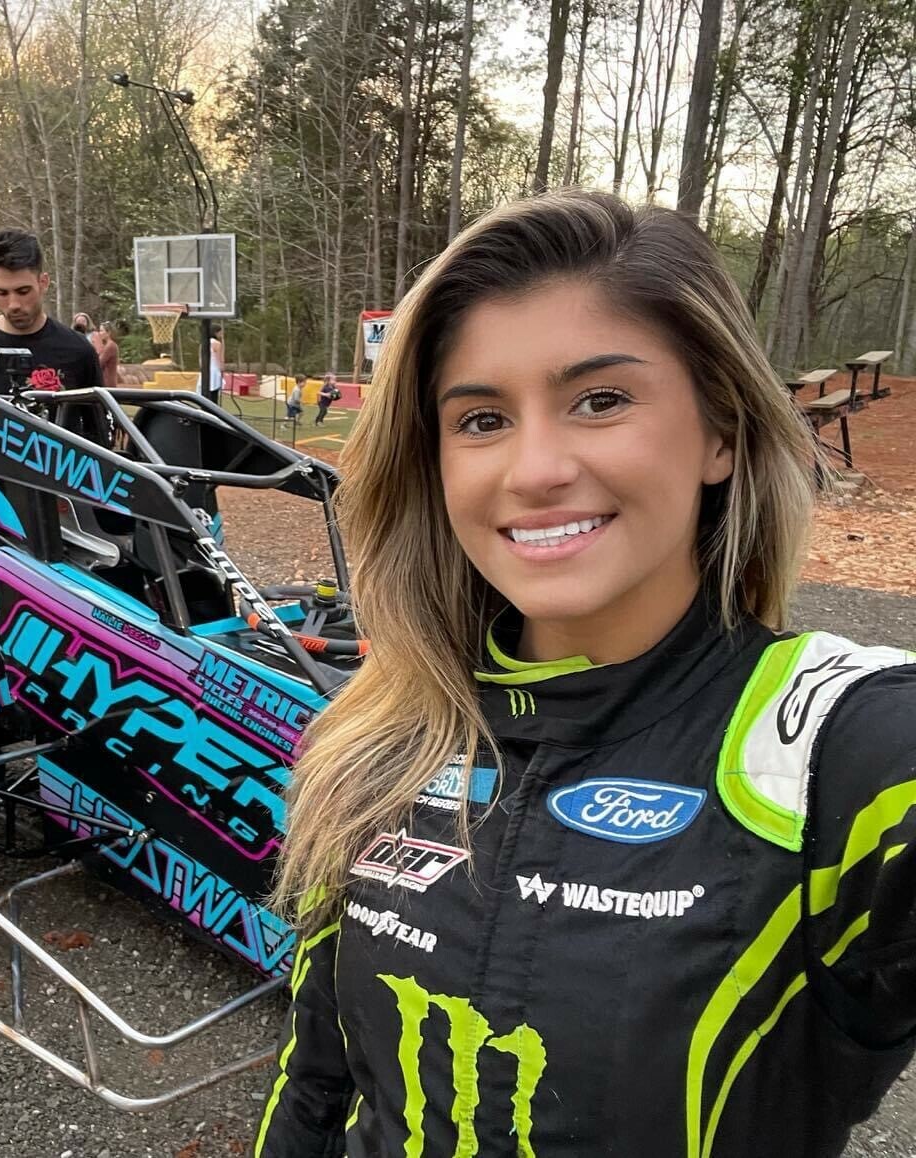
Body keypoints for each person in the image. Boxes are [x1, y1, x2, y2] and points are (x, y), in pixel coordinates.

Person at [255, 191, 916, 1158]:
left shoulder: (843, 750)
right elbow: (319, 1077)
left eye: (600, 401)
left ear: (722, 432)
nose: (534, 470)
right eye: (482, 419)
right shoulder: (377, 735)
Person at [0, 229, 100, 399]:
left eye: (23, 291)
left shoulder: (78, 350)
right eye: (1, 293)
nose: (14, 304)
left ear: (43, 282)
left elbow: (97, 415)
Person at [92, 321, 121, 390]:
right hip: (106, 381)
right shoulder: (107, 345)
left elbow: (99, 363)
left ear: (108, 333)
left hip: (108, 382)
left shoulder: (110, 346)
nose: (100, 333)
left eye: (102, 331)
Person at [204, 323, 225, 397]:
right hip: (214, 370)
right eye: (220, 332)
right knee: (214, 393)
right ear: (216, 332)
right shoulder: (217, 343)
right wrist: (222, 368)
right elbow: (219, 358)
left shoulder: (204, 342)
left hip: (205, 370)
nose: (221, 334)